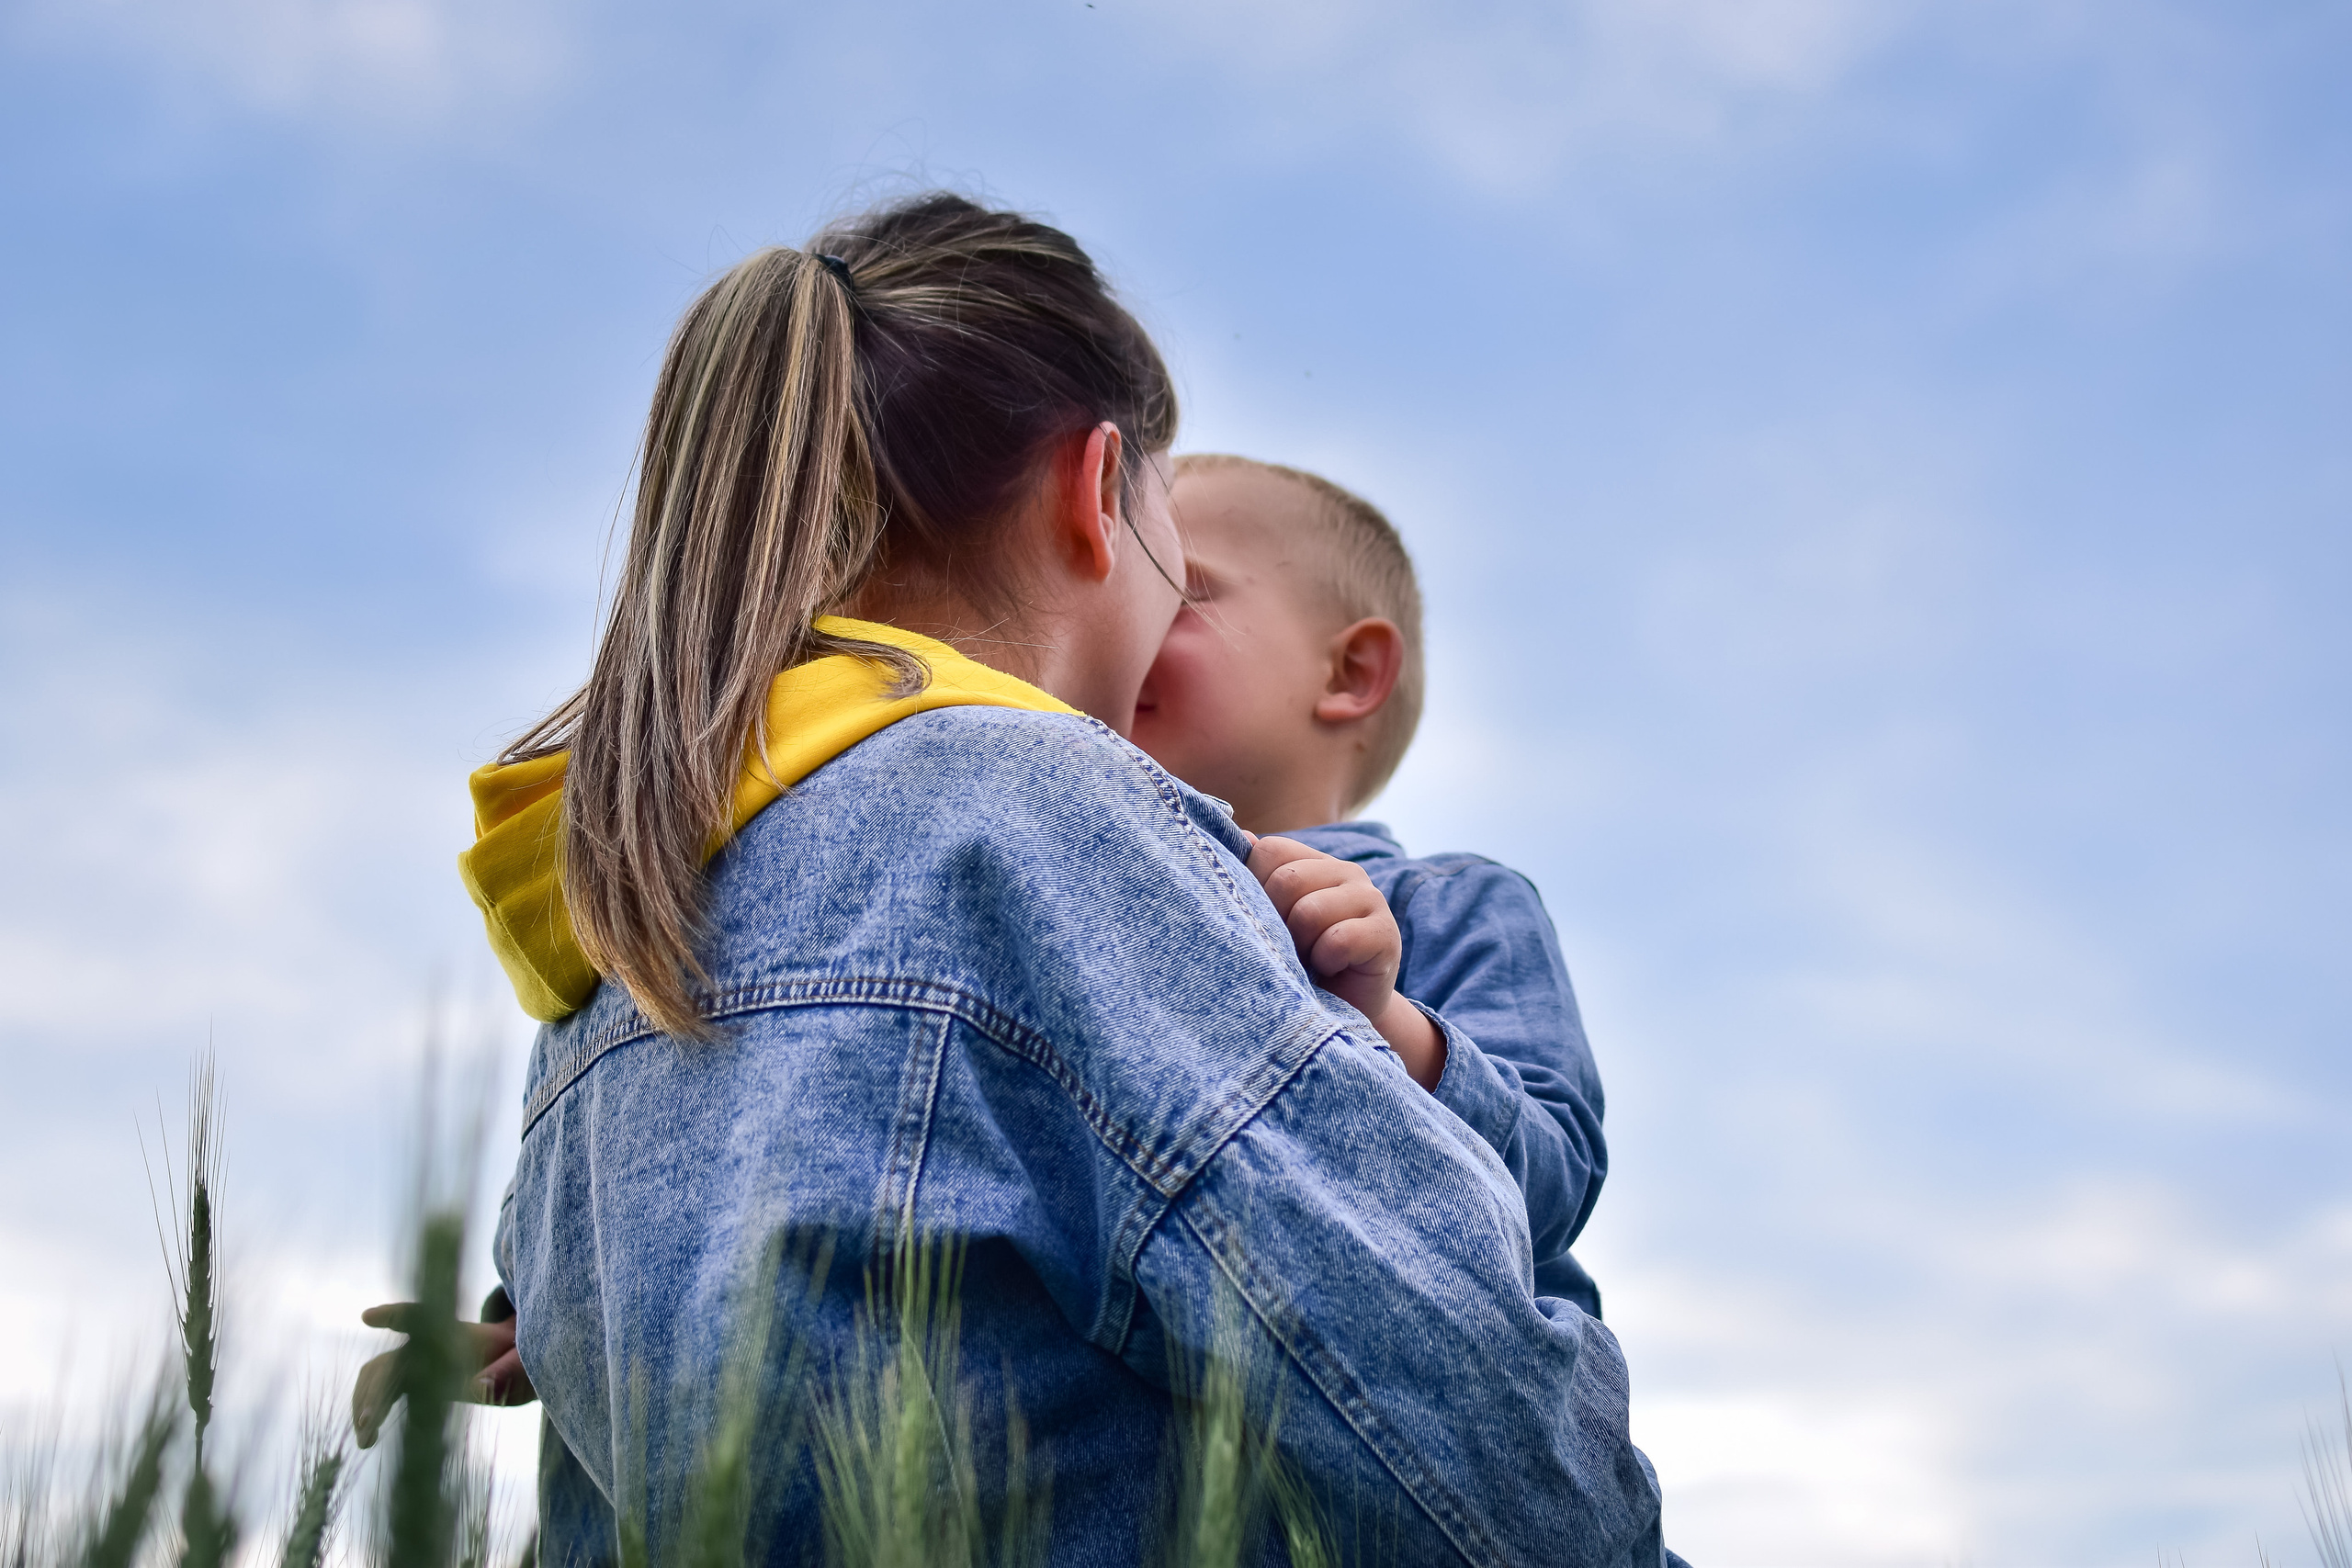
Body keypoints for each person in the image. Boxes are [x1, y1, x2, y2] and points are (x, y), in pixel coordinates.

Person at [371, 194, 1679, 1566]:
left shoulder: (629, 890)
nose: (1172, 612)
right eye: (1181, 560)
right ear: (1094, 491)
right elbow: (1456, 1419)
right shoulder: (1039, 816)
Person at [1131, 454, 1609, 1318]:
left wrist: (1385, 1018)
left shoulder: (1457, 905)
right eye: (1123, 584)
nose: (1130, 616)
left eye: (1177, 588)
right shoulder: (1092, 886)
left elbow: (1555, 1181)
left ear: (1349, 674)